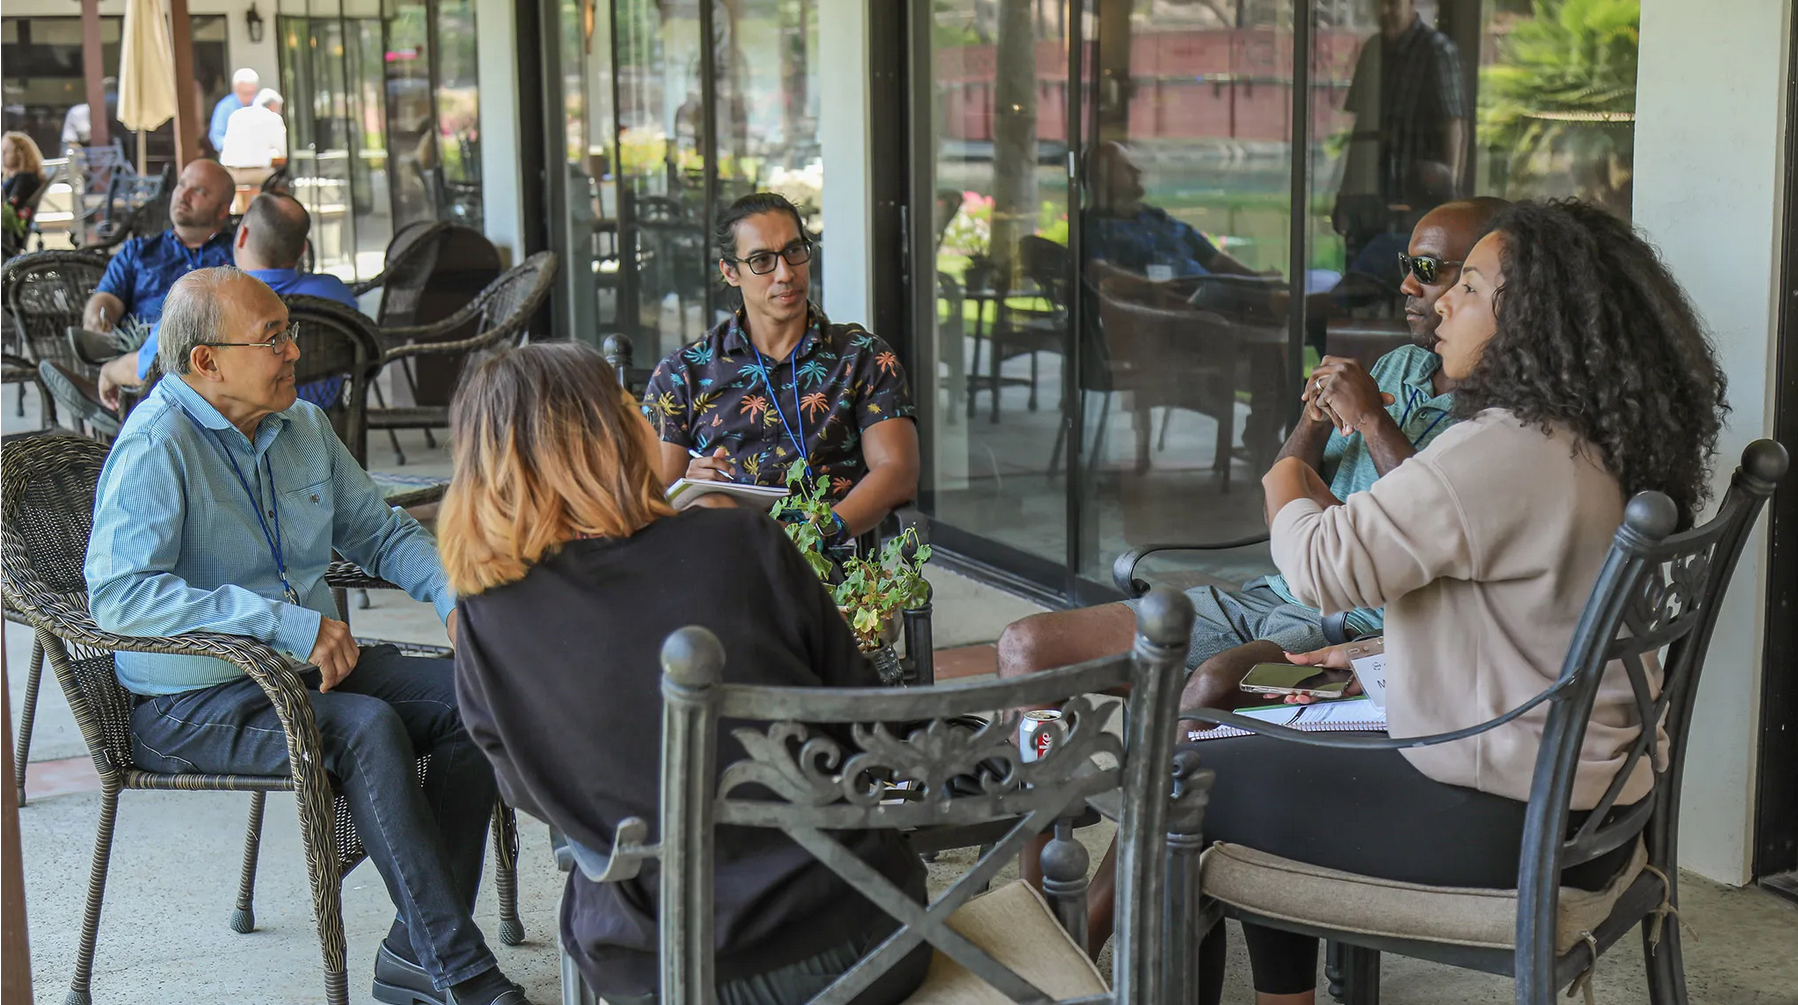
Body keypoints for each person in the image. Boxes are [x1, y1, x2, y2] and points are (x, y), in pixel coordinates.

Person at [1193, 198, 1729, 1005]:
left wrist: (1285, 482)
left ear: (1530, 319)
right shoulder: (1589, 436)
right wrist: (1378, 650)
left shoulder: (1503, 446)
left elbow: (1319, 565)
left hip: (1504, 818)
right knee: (1265, 731)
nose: (1440, 301)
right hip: (1585, 801)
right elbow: (1541, 622)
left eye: (1469, 287)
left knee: (1192, 766)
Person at [84, 266, 535, 1005]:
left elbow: (381, 532)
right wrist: (285, 622)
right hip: (188, 700)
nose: (295, 351)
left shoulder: (303, 426)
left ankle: (416, 950)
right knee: (365, 727)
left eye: (289, 332)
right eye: (273, 339)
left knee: (475, 693)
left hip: (302, 669)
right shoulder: (157, 445)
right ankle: (457, 967)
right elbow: (119, 596)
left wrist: (457, 602)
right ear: (207, 361)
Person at [443, 342, 931, 1005]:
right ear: (611, 431)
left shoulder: (484, 619)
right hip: (858, 939)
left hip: (660, 969)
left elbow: (534, 790)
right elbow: (862, 718)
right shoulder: (739, 543)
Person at [642, 191, 920, 543]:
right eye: (761, 260)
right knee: (710, 506)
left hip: (827, 558)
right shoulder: (683, 374)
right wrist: (689, 484)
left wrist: (809, 536)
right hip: (718, 553)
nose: (785, 273)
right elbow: (652, 499)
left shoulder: (861, 358)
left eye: (794, 251)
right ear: (730, 271)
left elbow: (897, 471)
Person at [120, 192, 353, 408]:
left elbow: (144, 371)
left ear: (242, 235)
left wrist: (109, 371)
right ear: (303, 248)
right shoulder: (336, 294)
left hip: (232, 438)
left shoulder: (203, 304)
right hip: (326, 421)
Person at [1333, 0, 1469, 268]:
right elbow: (1361, 130)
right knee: (1363, 275)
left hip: (1418, 197)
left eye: (1393, 4)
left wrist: (1448, 196)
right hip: (1373, 193)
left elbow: (1453, 125)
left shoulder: (1436, 51)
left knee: (1414, 276)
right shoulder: (1373, 49)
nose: (1384, 12)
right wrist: (1345, 193)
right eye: (1378, 4)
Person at [1085, 140, 1261, 278]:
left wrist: (1257, 279)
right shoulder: (1097, 229)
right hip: (1176, 309)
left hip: (1210, 294)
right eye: (1126, 168)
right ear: (1103, 178)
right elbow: (1100, 272)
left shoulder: (1158, 219)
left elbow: (1214, 259)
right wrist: (1148, 288)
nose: (1138, 171)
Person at [219, 89, 288, 208]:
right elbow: (283, 150)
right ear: (273, 106)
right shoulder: (272, 117)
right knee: (280, 178)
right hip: (257, 173)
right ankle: (270, 211)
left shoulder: (237, 114)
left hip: (231, 173)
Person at [210, 68, 261, 154]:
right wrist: (235, 146)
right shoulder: (224, 107)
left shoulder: (261, 104)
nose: (249, 97)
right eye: (245, 93)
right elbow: (216, 137)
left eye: (252, 93)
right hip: (233, 159)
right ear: (235, 90)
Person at [3, 130, 44, 211]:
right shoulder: (11, 178)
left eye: (6, 151)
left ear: (19, 153)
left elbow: (11, 206)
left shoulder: (26, 178)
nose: (2, 155)